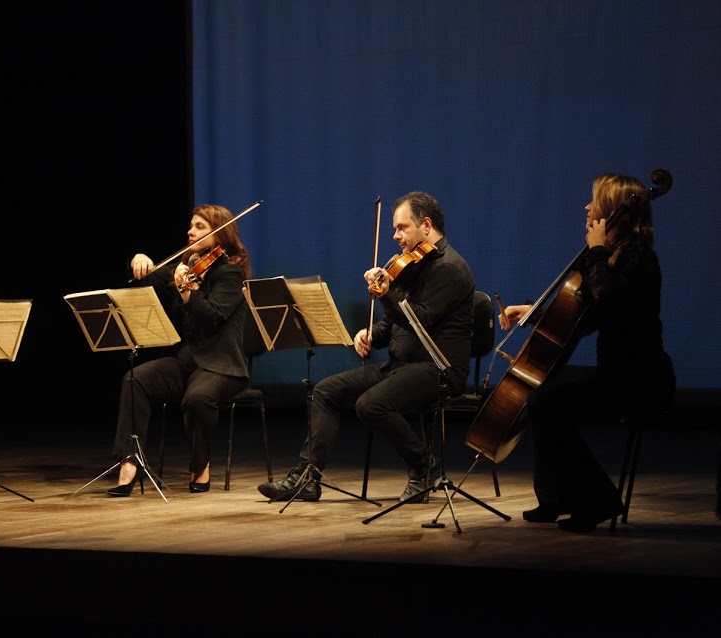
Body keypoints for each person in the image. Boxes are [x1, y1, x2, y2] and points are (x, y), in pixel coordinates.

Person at [257, 191, 475, 503]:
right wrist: (372, 333)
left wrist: (387, 295)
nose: (395, 236)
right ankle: (308, 476)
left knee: (370, 404)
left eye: (402, 227)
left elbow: (420, 320)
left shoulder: (449, 269)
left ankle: (423, 465)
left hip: (439, 370)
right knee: (325, 392)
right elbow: (397, 324)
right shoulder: (416, 265)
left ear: (426, 225)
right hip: (402, 366)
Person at [498, 173, 676, 532]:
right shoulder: (608, 258)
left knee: (547, 403)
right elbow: (581, 313)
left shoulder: (637, 257)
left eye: (594, 201)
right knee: (543, 391)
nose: (587, 207)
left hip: (641, 381)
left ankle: (598, 500)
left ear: (612, 210)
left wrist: (595, 250)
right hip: (617, 375)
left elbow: (606, 299)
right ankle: (555, 497)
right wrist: (532, 312)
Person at [107, 204, 252, 496]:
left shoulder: (230, 275)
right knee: (135, 379)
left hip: (222, 365)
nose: (191, 231)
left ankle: (201, 465)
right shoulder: (185, 267)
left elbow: (212, 316)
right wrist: (138, 260)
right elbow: (146, 278)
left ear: (220, 233)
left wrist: (187, 292)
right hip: (187, 361)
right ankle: (129, 462)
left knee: (197, 397)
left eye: (200, 226)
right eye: (191, 225)